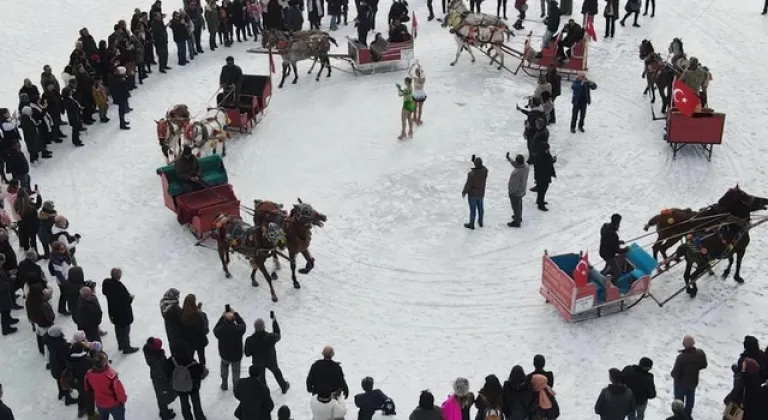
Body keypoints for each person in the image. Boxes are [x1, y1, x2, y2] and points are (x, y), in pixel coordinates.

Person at [244, 312, 290, 393]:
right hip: (270, 359)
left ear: (254, 327)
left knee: (261, 378)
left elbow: (247, 354)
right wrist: (274, 321)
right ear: (264, 326)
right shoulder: (270, 337)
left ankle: (265, 392)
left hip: (257, 361)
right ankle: (284, 386)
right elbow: (278, 335)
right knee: (276, 371)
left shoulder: (250, 340)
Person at [101, 268, 138, 354]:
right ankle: (126, 347)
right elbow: (126, 300)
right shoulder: (120, 287)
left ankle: (120, 344)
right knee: (125, 330)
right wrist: (131, 298)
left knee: (118, 328)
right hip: (123, 313)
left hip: (113, 311)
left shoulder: (106, 283)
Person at [670, 335, 707, 418]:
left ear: (684, 344)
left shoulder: (681, 358)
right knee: (690, 401)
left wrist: (672, 374)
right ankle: (687, 416)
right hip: (693, 383)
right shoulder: (700, 353)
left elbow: (675, 373)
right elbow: (704, 365)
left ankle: (679, 417)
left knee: (679, 403)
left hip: (680, 385)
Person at [163, 351, 207, 420]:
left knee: (184, 404)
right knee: (196, 403)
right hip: (193, 388)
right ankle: (200, 417)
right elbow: (202, 374)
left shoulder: (171, 361)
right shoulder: (192, 362)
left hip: (179, 388)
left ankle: (188, 418)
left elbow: (166, 373)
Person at [84, 353, 128, 420]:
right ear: (104, 363)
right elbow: (119, 391)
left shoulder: (88, 374)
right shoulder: (111, 376)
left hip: (100, 403)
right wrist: (123, 400)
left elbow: (88, 388)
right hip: (114, 404)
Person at [143, 337, 177, 420]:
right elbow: (161, 372)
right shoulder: (156, 360)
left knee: (160, 395)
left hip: (157, 377)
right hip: (160, 379)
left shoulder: (150, 353)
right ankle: (164, 414)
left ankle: (164, 411)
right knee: (162, 396)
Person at [213, 306, 246, 390]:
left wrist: (222, 317)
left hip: (224, 354)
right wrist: (236, 314)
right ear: (233, 319)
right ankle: (236, 386)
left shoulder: (221, 330)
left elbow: (215, 329)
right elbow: (243, 324)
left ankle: (224, 384)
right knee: (236, 371)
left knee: (224, 368)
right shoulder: (238, 329)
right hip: (236, 355)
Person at [44, 326, 78, 405]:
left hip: (53, 363)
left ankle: (61, 392)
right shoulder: (60, 345)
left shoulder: (48, 340)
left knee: (59, 380)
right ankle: (68, 398)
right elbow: (67, 353)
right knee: (64, 380)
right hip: (61, 366)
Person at [180, 294, 209, 367]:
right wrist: (202, 314)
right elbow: (204, 330)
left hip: (188, 342)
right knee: (201, 357)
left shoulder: (182, 314)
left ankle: (190, 370)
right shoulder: (199, 316)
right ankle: (202, 369)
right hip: (199, 341)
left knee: (189, 357)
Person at [599, 214, 629, 280]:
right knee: (618, 273)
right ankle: (608, 284)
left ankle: (602, 275)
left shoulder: (605, 227)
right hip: (608, 255)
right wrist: (625, 249)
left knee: (609, 266)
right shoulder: (613, 234)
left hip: (602, 251)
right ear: (618, 223)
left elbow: (608, 241)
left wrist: (618, 242)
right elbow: (616, 250)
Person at [462, 155, 488, 230]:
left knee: (473, 210)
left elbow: (468, 185)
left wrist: (464, 192)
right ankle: (480, 221)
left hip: (472, 195)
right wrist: (476, 162)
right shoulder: (485, 171)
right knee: (480, 208)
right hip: (481, 194)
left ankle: (471, 224)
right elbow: (483, 167)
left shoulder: (471, 175)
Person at [506, 153, 529, 228]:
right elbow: (516, 165)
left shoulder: (517, 173)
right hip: (522, 190)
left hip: (516, 192)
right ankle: (518, 217)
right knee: (519, 205)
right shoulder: (526, 167)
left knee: (515, 206)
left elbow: (514, 184)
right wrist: (509, 159)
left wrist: (511, 192)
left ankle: (517, 221)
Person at [532, 142, 556, 211]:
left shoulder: (545, 154)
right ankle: (540, 204)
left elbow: (548, 161)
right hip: (542, 177)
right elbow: (542, 166)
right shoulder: (539, 156)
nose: (548, 150)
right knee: (542, 190)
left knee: (543, 190)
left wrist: (552, 160)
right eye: (547, 149)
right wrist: (551, 161)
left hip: (545, 175)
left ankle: (539, 201)